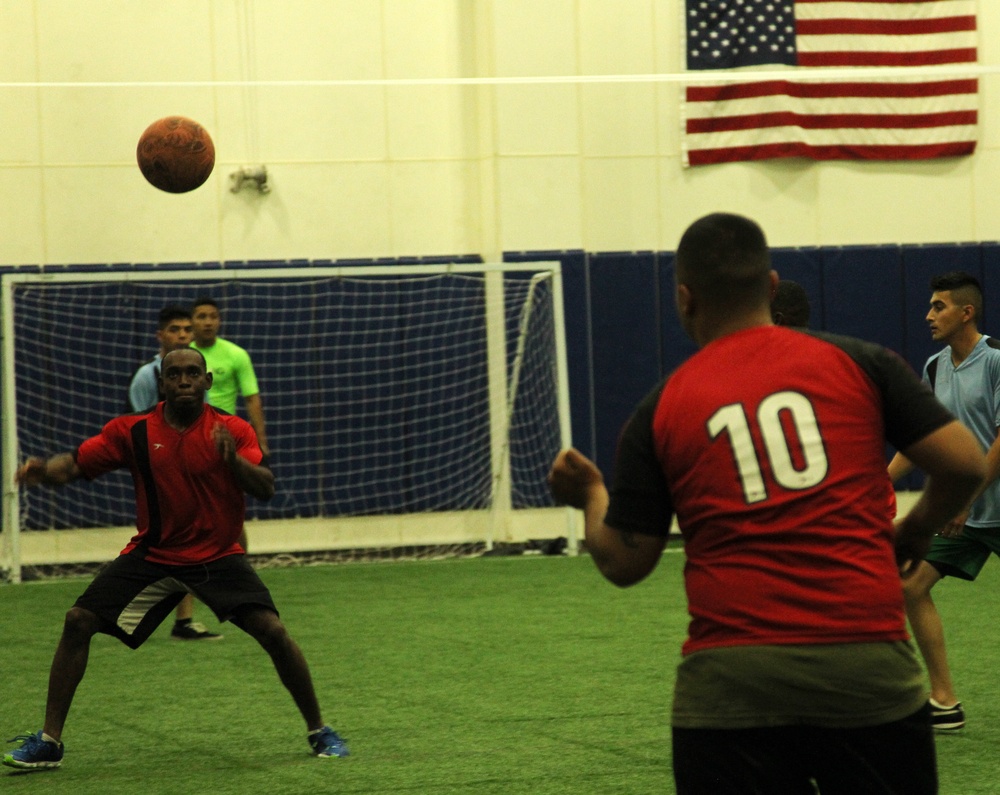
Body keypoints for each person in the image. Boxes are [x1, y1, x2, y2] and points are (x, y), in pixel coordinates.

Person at [547, 212, 984, 794]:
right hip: (864, 666)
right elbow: (964, 464)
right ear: (772, 286)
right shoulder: (861, 363)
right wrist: (918, 525)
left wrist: (591, 495)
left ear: (684, 298)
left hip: (732, 685)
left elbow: (625, 562)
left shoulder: (663, 406)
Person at [3, 348, 347, 770]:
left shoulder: (233, 430)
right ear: (162, 383)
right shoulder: (132, 432)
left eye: (192, 373)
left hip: (218, 557)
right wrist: (44, 471)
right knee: (78, 620)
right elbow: (74, 464)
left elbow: (265, 488)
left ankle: (319, 730)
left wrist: (231, 460)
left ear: (207, 380)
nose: (183, 380)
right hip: (156, 555)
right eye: (174, 374)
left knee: (273, 631)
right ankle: (48, 742)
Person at [888, 271, 1000, 733]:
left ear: (966, 312)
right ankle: (944, 701)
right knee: (910, 586)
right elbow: (925, 442)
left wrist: (964, 498)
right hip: (968, 515)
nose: (929, 315)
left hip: (973, 506)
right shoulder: (934, 366)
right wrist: (878, 481)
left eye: (939, 306)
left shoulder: (996, 360)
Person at [128, 304, 220, 641]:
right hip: (157, 476)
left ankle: (185, 618)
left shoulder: (196, 372)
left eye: (186, 330)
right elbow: (134, 427)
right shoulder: (145, 377)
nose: (182, 335)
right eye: (174, 330)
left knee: (199, 539)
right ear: (160, 335)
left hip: (193, 474)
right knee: (160, 546)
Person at [190, 296, 269, 458]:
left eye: (213, 317)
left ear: (219, 321)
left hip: (223, 435)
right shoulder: (182, 356)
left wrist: (260, 441)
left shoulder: (237, 355)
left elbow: (252, 399)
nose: (208, 322)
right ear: (192, 321)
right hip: (188, 433)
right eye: (202, 317)